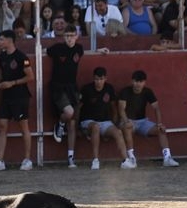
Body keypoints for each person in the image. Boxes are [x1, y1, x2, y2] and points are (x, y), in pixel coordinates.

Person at [0, 30, 35, 173]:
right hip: (6, 95)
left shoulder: (21, 57)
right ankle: (0, 161)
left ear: (10, 41)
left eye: (1, 39)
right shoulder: (2, 56)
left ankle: (27, 159)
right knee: (2, 125)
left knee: (23, 126)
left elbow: (30, 76)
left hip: (20, 95)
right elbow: (2, 74)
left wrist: (12, 83)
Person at [118, 70, 180, 167]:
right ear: (132, 81)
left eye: (140, 82)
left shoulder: (147, 91)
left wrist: (159, 123)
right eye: (136, 81)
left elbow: (156, 108)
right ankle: (131, 158)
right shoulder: (125, 91)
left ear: (144, 82)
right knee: (127, 127)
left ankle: (167, 157)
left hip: (143, 121)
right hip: (128, 120)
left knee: (161, 130)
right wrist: (126, 121)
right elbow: (121, 109)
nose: (138, 84)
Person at [78, 66, 135, 170]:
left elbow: (114, 108)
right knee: (95, 127)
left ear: (105, 79)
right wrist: (79, 125)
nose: (98, 82)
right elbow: (78, 107)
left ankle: (125, 160)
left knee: (118, 132)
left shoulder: (109, 88)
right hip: (88, 121)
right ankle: (95, 160)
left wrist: (114, 123)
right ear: (93, 78)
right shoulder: (86, 89)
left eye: (101, 79)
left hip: (105, 121)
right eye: (96, 79)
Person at [47, 26, 83, 169]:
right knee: (69, 113)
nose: (69, 38)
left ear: (77, 36)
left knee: (73, 123)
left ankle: (70, 156)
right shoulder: (57, 48)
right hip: (58, 87)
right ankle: (60, 124)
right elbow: (46, 52)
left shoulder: (79, 49)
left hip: (72, 88)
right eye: (67, 35)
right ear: (63, 37)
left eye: (72, 35)